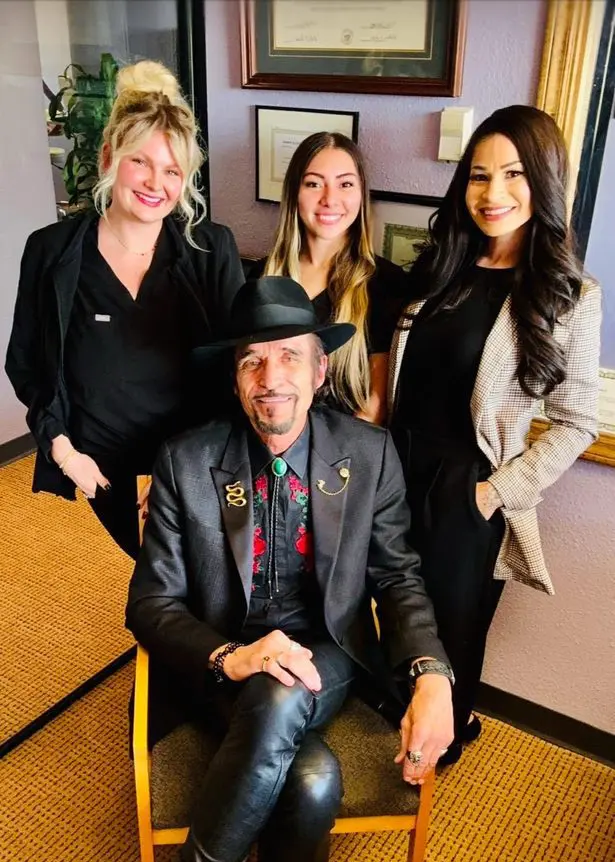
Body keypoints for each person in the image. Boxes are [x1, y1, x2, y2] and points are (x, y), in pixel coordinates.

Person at [115, 276, 454, 862]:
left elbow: (398, 579)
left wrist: (430, 672)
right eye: (252, 362)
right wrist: (230, 655)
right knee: (313, 777)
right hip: (220, 662)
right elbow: (149, 603)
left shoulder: (367, 454)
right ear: (235, 379)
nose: (272, 379)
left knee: (281, 688)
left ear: (320, 368)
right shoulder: (187, 460)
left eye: (289, 357)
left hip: (325, 656)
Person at [388, 105, 601, 766]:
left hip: (465, 486)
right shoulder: (438, 266)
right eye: (478, 176)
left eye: (512, 174)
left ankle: (438, 746)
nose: (491, 193)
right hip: (391, 466)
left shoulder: (568, 295)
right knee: (379, 607)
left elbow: (576, 423)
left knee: (449, 631)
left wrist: (492, 494)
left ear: (542, 181)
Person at [5, 60, 244, 558]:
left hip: (196, 461)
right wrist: (63, 451)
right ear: (111, 156)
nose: (155, 183)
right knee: (156, 571)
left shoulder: (210, 250)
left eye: (172, 170)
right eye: (142, 162)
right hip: (105, 464)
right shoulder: (52, 252)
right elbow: (26, 360)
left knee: (209, 575)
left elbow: (236, 365)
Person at [251, 131, 406, 424]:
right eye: (313, 184)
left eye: (345, 184)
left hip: (342, 458)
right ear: (294, 194)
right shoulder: (261, 278)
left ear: (362, 194)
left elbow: (375, 405)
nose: (329, 199)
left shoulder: (386, 283)